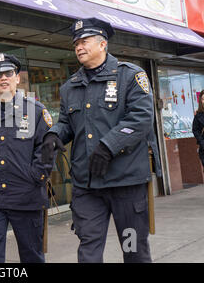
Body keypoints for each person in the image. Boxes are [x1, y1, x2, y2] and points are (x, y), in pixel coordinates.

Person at [41, 17, 156, 263]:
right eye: (75, 44)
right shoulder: (70, 87)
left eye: (84, 41)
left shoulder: (130, 76)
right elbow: (66, 124)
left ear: (103, 44)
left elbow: (141, 119)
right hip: (88, 186)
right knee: (89, 251)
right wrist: (53, 135)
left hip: (125, 184)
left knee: (133, 249)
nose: (78, 47)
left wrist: (108, 146)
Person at [0, 53, 54, 263]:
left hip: (27, 197)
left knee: (32, 256)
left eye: (8, 73)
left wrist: (36, 176)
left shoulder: (36, 112)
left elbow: (48, 148)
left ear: (17, 78)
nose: (3, 78)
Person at [192, 89, 204, 179]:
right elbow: (195, 130)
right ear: (201, 101)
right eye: (203, 98)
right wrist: (202, 143)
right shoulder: (198, 115)